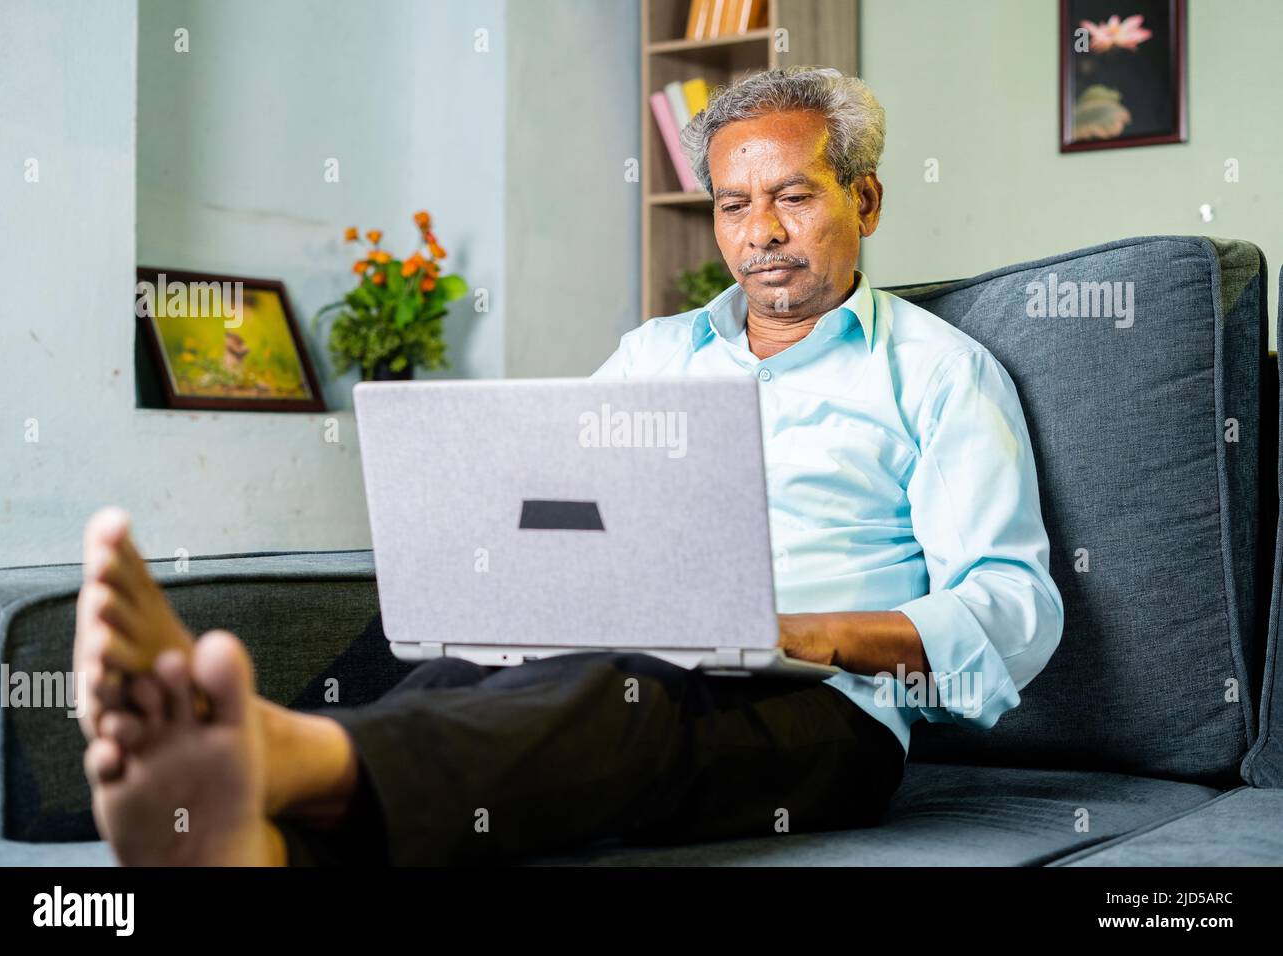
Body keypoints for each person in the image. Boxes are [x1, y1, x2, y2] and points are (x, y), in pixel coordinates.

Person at [74, 67, 1063, 866]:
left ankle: (264, 757)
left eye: (791, 197)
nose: (757, 232)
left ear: (866, 198)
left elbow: (1012, 609)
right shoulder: (654, 354)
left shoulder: (938, 373)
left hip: (818, 708)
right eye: (730, 205)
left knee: (622, 688)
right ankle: (244, 818)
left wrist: (795, 627)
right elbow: (552, 509)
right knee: (446, 628)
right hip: (616, 645)